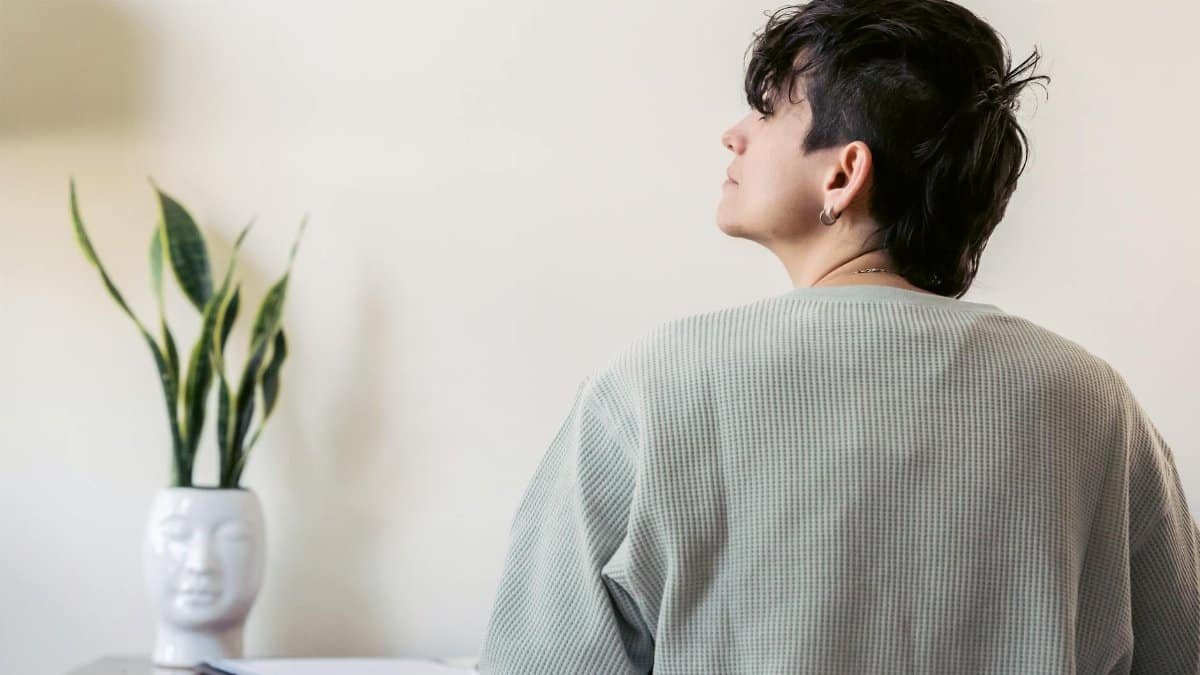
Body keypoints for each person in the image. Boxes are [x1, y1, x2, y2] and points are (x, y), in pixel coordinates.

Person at [477, 1, 1200, 672]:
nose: (734, 133)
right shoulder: (1089, 401)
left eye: (766, 111)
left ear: (845, 173)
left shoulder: (653, 384)